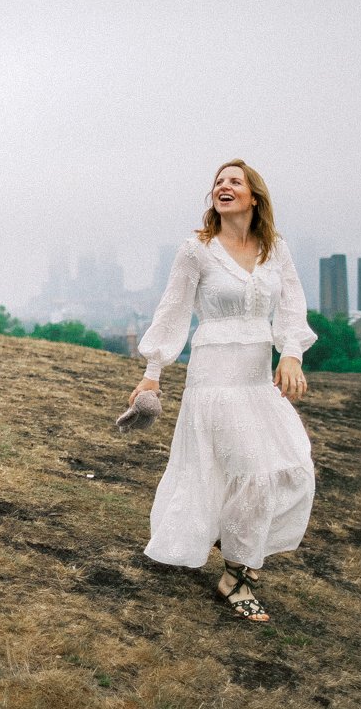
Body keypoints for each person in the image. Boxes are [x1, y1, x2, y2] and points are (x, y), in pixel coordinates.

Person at [128, 158, 316, 623]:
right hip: (214, 378)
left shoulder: (276, 250)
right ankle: (239, 578)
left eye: (235, 181)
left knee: (293, 467)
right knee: (253, 471)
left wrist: (291, 353)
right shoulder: (197, 249)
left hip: (257, 378)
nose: (223, 186)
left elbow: (292, 307)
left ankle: (232, 538)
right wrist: (153, 373)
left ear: (254, 197)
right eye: (218, 181)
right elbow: (172, 310)